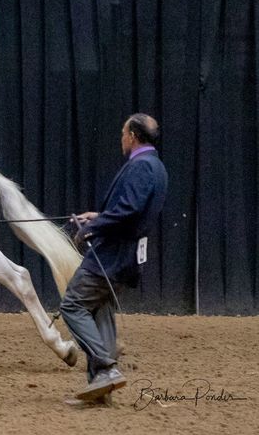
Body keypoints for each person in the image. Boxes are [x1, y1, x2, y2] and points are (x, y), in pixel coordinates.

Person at [60, 113, 168, 407]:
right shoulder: (156, 168)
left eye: (123, 133)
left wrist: (92, 228)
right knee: (101, 310)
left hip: (111, 257)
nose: (122, 138)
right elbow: (129, 210)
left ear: (132, 135)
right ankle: (101, 390)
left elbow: (129, 210)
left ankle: (106, 368)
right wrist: (99, 217)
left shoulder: (141, 167)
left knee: (72, 305)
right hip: (125, 258)